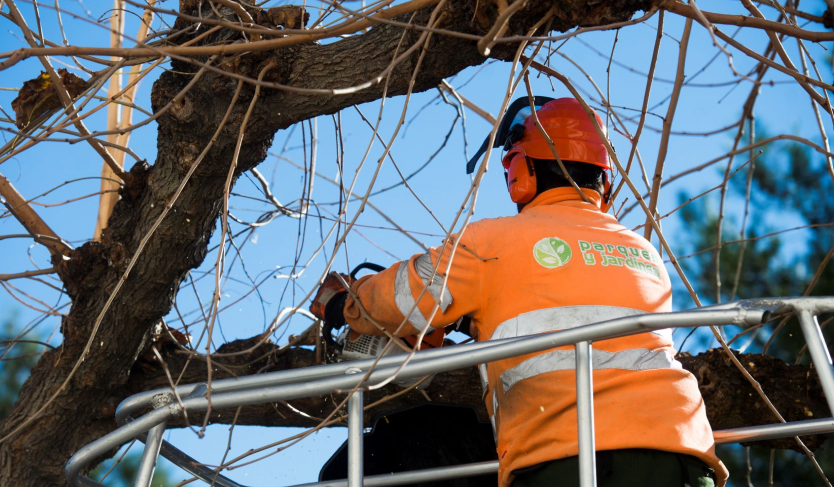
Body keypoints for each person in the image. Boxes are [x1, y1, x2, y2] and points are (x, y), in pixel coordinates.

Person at [310, 97, 726, 487]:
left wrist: (343, 304)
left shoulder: (493, 244)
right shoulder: (643, 253)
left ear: (521, 171)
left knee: (400, 445)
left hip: (567, 459)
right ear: (605, 179)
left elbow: (403, 296)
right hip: (683, 455)